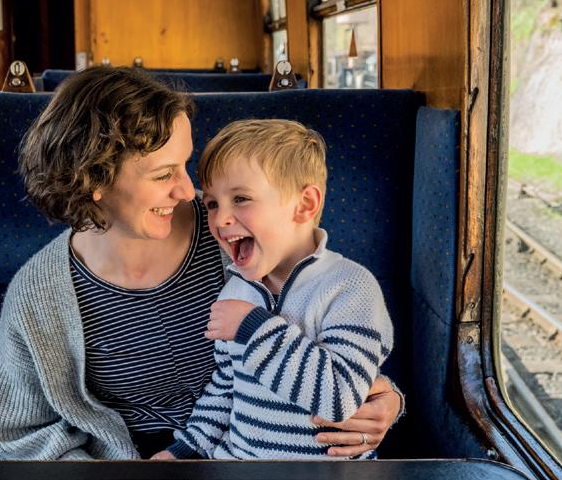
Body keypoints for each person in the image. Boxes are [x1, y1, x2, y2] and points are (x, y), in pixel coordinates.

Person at [0, 66, 403, 460]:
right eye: (164, 174)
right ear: (95, 178)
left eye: (185, 165)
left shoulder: (236, 234)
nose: (188, 192)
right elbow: (18, 433)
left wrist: (386, 399)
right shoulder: (39, 294)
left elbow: (328, 336)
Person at [150, 119, 393, 460]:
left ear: (304, 205)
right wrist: (184, 450)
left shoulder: (350, 288)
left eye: (241, 199)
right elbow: (226, 388)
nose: (220, 220)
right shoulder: (236, 291)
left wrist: (254, 328)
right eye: (213, 204)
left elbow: (340, 397)